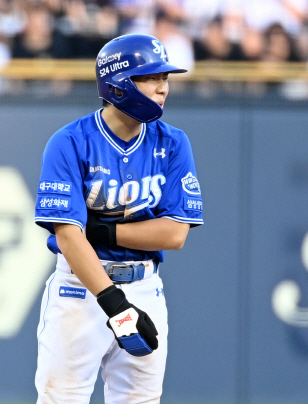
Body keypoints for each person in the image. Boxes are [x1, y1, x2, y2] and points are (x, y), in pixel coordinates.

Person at [33, 33, 203, 402]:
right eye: (151, 78)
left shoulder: (173, 142)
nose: (162, 88)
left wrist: (104, 231)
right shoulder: (70, 141)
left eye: (165, 79)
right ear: (120, 83)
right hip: (79, 290)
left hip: (145, 286)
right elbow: (69, 237)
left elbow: (174, 233)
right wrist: (114, 304)